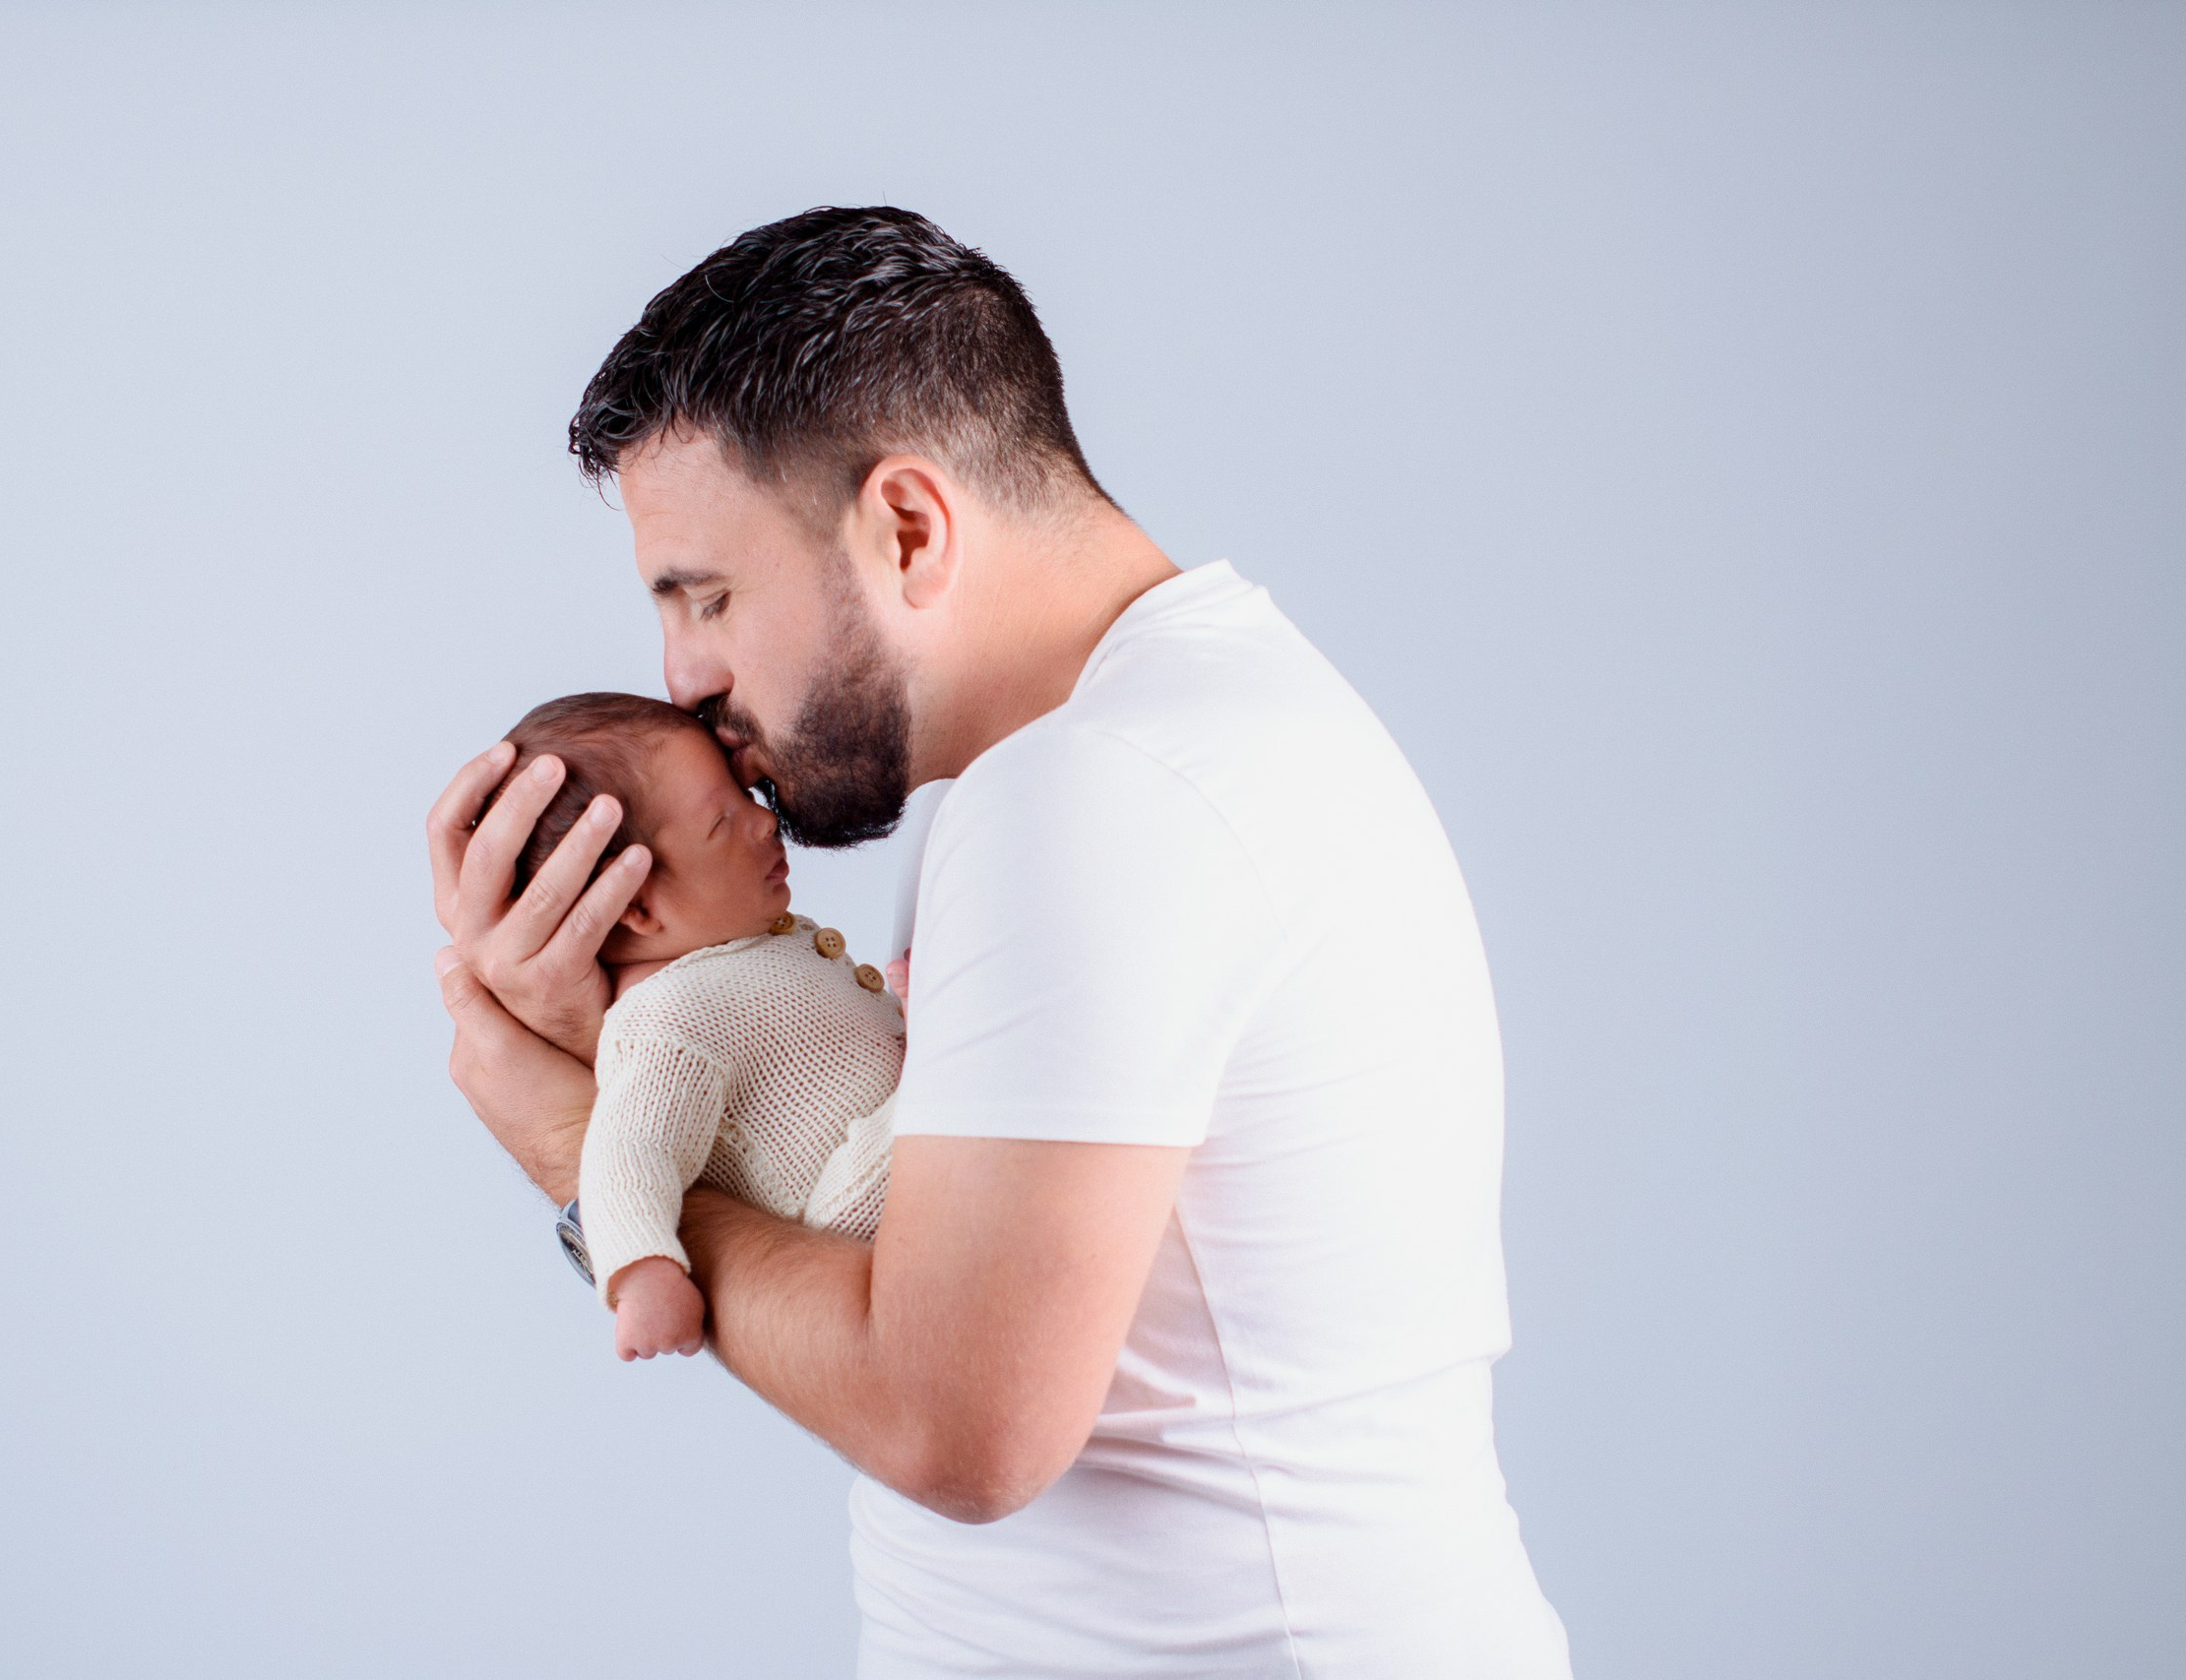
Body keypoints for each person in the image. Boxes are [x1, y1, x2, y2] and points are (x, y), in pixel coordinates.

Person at [427, 206, 1572, 1677]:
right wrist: (637, 1040)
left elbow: (954, 1421)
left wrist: (587, 1149)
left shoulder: (1086, 793)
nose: (682, 677)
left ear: (907, 524)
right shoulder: (1171, 728)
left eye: (708, 594)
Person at [494, 690, 906, 1363]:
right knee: (958, 1078)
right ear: (636, 908)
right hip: (856, 1209)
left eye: (748, 799)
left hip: (897, 1161)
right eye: (724, 822)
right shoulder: (666, 1017)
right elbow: (628, 1151)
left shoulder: (736, 944)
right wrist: (641, 1271)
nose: (765, 822)